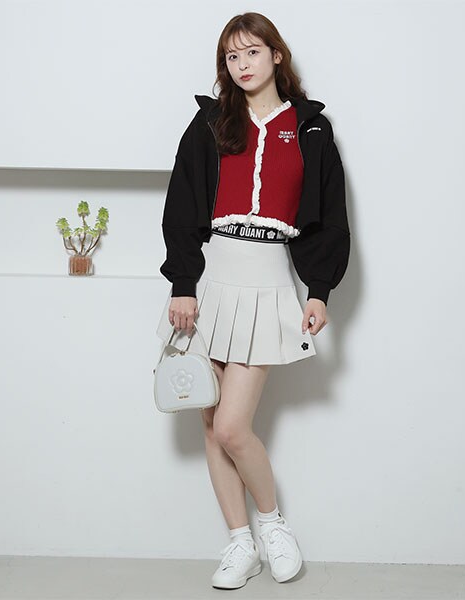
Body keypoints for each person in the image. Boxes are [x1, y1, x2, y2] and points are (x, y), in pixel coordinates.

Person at [155, 11, 351, 590]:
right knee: (210, 418)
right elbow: (181, 203)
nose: (241, 65)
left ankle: (273, 525)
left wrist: (319, 291)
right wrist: (183, 283)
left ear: (276, 55)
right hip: (211, 282)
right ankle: (240, 542)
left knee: (233, 426)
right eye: (231, 56)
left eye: (252, 52)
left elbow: (329, 216)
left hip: (268, 284)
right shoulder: (211, 123)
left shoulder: (311, 128)